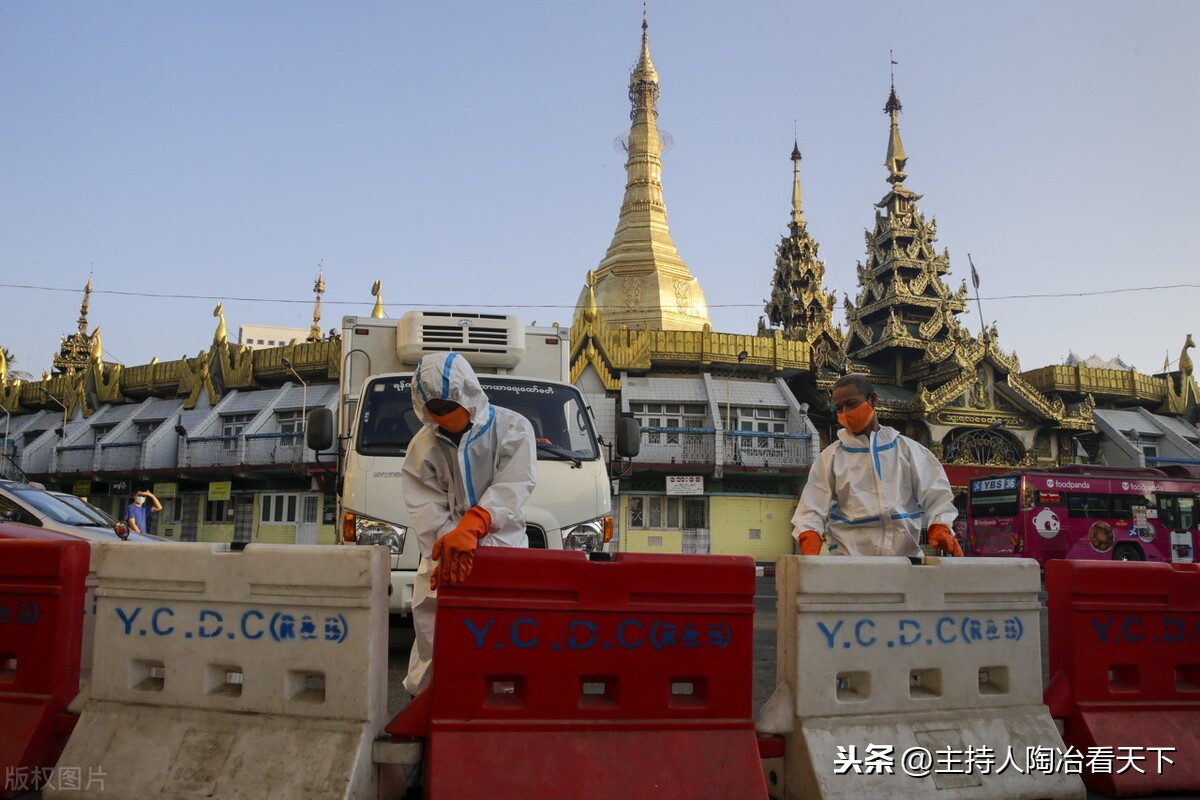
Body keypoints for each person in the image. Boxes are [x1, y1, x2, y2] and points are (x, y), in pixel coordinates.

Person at [401, 352, 537, 694]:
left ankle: (502, 704)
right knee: (434, 625)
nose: (443, 414)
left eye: (449, 406)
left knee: (503, 628)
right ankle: (429, 702)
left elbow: (514, 484)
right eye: (435, 408)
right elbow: (425, 504)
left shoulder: (513, 428)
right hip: (446, 550)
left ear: (469, 394)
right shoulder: (423, 445)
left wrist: (476, 522)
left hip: (503, 547)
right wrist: (452, 542)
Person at [792, 373, 962, 558]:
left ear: (872, 400)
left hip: (904, 561)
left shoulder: (908, 451)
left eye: (851, 404)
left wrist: (940, 525)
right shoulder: (830, 458)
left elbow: (937, 495)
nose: (845, 413)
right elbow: (811, 507)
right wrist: (809, 535)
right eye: (839, 408)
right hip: (850, 563)